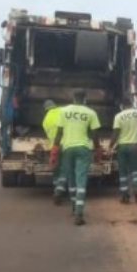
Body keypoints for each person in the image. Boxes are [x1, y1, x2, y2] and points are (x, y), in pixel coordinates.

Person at [52, 90, 101, 226]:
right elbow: (95, 134)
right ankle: (79, 213)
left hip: (67, 149)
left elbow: (59, 132)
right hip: (83, 148)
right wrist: (97, 149)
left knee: (71, 178)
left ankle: (74, 207)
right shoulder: (91, 112)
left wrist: (55, 149)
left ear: (73, 98)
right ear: (85, 99)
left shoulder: (64, 111)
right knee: (81, 179)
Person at [109, 97, 137, 204]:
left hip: (122, 146)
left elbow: (116, 133)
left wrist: (110, 146)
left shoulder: (118, 116)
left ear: (122, 105)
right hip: (134, 145)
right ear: (131, 103)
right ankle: (136, 188)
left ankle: (124, 196)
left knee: (122, 171)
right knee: (135, 170)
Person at [42, 99, 66, 203]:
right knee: (64, 169)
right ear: (55, 105)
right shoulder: (62, 110)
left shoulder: (45, 120)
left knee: (56, 169)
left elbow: (48, 135)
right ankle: (59, 190)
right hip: (65, 144)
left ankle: (56, 187)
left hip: (54, 147)